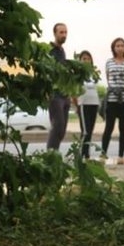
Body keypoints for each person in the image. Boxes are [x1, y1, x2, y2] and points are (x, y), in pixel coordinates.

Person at [101, 37, 124, 164]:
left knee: (123, 128)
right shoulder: (109, 62)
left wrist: (123, 89)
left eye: (122, 45)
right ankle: (103, 153)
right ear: (113, 48)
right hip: (112, 100)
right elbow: (108, 78)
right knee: (108, 127)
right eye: (117, 46)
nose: (120, 48)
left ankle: (121, 155)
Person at [46, 23, 70, 151]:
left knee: (62, 131)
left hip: (65, 94)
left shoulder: (62, 51)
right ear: (55, 33)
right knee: (58, 127)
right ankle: (50, 156)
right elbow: (46, 71)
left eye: (65, 32)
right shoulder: (50, 50)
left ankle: (54, 154)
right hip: (55, 95)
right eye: (61, 32)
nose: (64, 35)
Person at [73, 50, 100, 159]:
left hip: (94, 104)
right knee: (85, 132)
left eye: (88, 59)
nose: (86, 61)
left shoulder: (94, 74)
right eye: (84, 58)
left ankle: (86, 154)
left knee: (90, 131)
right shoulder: (77, 74)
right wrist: (77, 106)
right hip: (83, 105)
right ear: (80, 60)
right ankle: (79, 154)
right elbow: (73, 93)